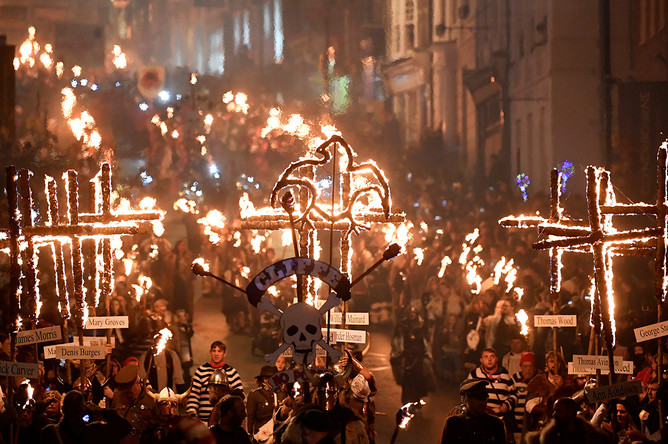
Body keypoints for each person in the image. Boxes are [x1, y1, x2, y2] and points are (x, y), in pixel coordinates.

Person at [40, 389, 132, 444]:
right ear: (83, 409)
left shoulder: (49, 433)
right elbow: (125, 427)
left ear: (63, 409)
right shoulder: (96, 432)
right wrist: (101, 410)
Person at [187, 340, 243, 423]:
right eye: (214, 351)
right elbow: (194, 395)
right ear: (210, 352)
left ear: (224, 354)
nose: (216, 354)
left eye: (219, 351)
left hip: (225, 422)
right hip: (203, 421)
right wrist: (192, 414)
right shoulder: (201, 371)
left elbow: (240, 397)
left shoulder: (232, 372)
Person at [439, 379, 506, 444]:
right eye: (479, 397)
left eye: (485, 397)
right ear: (468, 397)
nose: (483, 402)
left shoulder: (496, 424)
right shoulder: (453, 423)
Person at [111, 364, 162, 443]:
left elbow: (161, 423)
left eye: (130, 389)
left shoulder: (152, 398)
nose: (128, 393)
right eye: (125, 390)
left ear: (138, 383)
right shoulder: (117, 397)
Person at [526, 397, 610, 444]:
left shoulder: (591, 437)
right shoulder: (549, 437)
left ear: (570, 412)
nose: (554, 415)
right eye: (554, 411)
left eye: (558, 411)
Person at [246, 365, 281, 438]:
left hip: (279, 434)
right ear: (264, 379)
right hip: (261, 435)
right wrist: (249, 435)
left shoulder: (282, 393)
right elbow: (250, 418)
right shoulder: (255, 394)